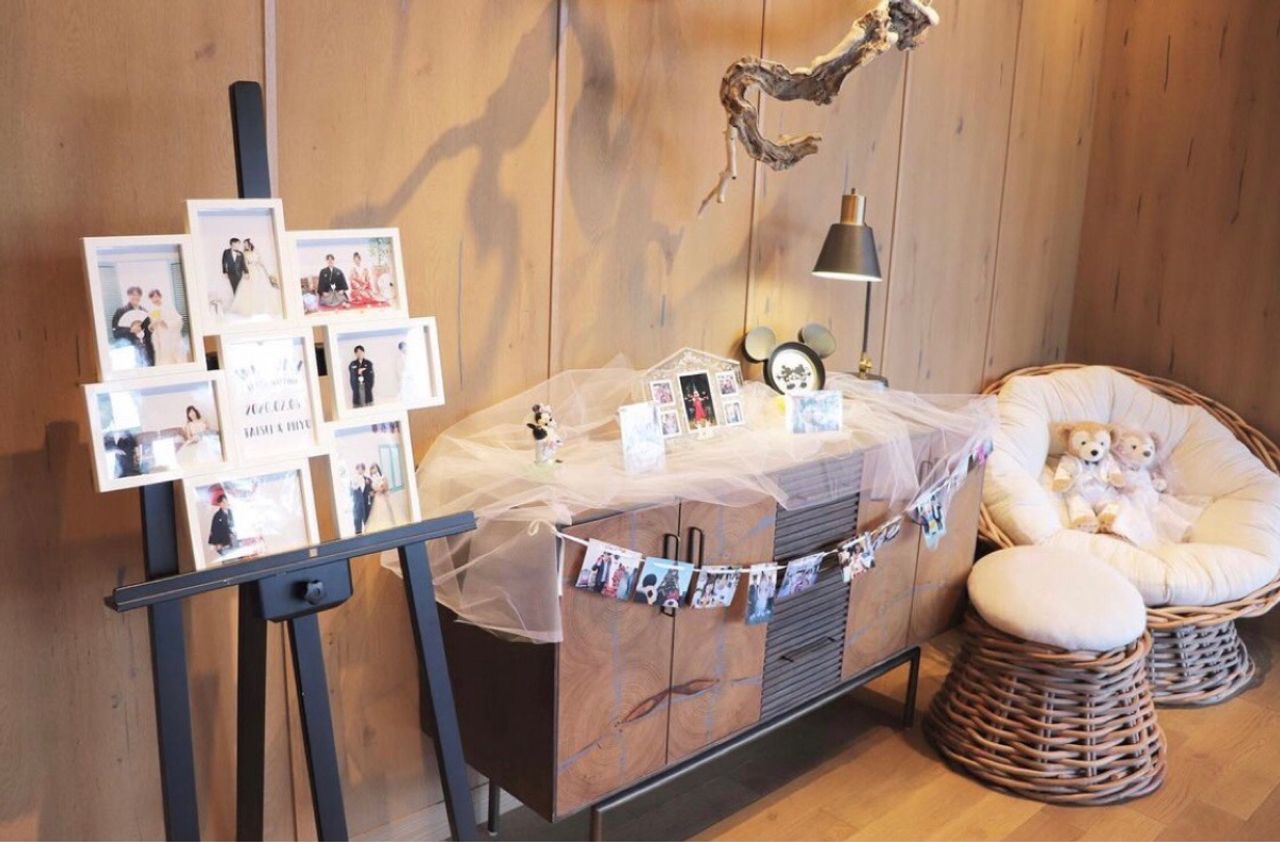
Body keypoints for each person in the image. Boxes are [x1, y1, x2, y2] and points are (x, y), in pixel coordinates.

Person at [230, 238, 281, 317]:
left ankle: (262, 307)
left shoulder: (256, 251)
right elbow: (244, 264)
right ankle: (250, 309)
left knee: (261, 287)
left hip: (258, 270)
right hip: (250, 270)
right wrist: (246, 272)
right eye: (244, 244)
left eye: (246, 244)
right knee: (249, 288)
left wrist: (265, 271)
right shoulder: (244, 253)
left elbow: (260, 261)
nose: (245, 246)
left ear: (249, 244)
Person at [111, 286, 154, 367]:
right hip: (129, 345)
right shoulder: (120, 311)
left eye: (138, 295)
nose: (135, 297)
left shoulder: (144, 312)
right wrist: (130, 330)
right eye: (133, 294)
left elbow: (149, 331)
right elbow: (116, 333)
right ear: (128, 295)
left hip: (145, 346)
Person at [147, 289, 185, 365]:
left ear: (160, 296)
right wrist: (153, 325)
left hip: (172, 337)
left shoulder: (169, 307)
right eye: (152, 297)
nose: (155, 299)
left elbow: (179, 321)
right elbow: (151, 327)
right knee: (163, 360)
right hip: (159, 338)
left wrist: (166, 323)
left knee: (177, 360)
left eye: (156, 296)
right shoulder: (151, 310)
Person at [364, 464, 399, 531]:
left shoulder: (382, 477)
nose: (374, 470)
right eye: (372, 469)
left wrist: (382, 488)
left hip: (383, 496)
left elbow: (386, 487)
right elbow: (373, 489)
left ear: (378, 468)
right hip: (377, 497)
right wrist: (374, 492)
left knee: (386, 511)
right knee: (377, 513)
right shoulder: (371, 479)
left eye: (375, 468)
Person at [350, 463, 370, 534]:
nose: (359, 470)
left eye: (361, 469)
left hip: (366, 503)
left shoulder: (368, 479)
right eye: (358, 469)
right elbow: (352, 491)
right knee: (357, 520)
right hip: (357, 503)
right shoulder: (353, 479)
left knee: (367, 523)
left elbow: (370, 490)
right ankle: (358, 534)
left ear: (364, 470)